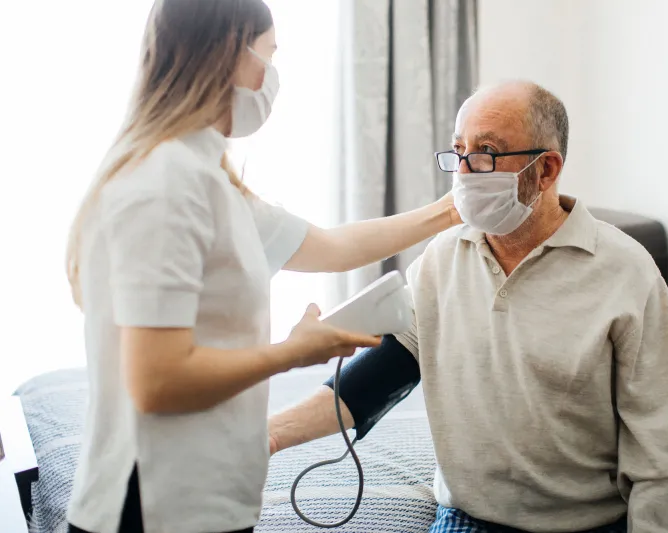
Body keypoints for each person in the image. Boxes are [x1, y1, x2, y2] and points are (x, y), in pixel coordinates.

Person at [63, 1, 460, 533]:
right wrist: (292, 353)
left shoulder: (209, 182)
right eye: (269, 55)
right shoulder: (167, 184)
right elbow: (156, 381)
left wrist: (453, 208)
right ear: (231, 50)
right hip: (158, 501)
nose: (271, 77)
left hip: (204, 492)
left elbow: (333, 247)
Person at [268, 81, 668, 533]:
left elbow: (659, 442)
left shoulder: (625, 270)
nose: (464, 172)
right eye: (458, 151)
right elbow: (385, 370)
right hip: (470, 517)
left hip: (588, 523)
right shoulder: (442, 257)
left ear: (547, 169)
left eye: (487, 152)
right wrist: (270, 435)